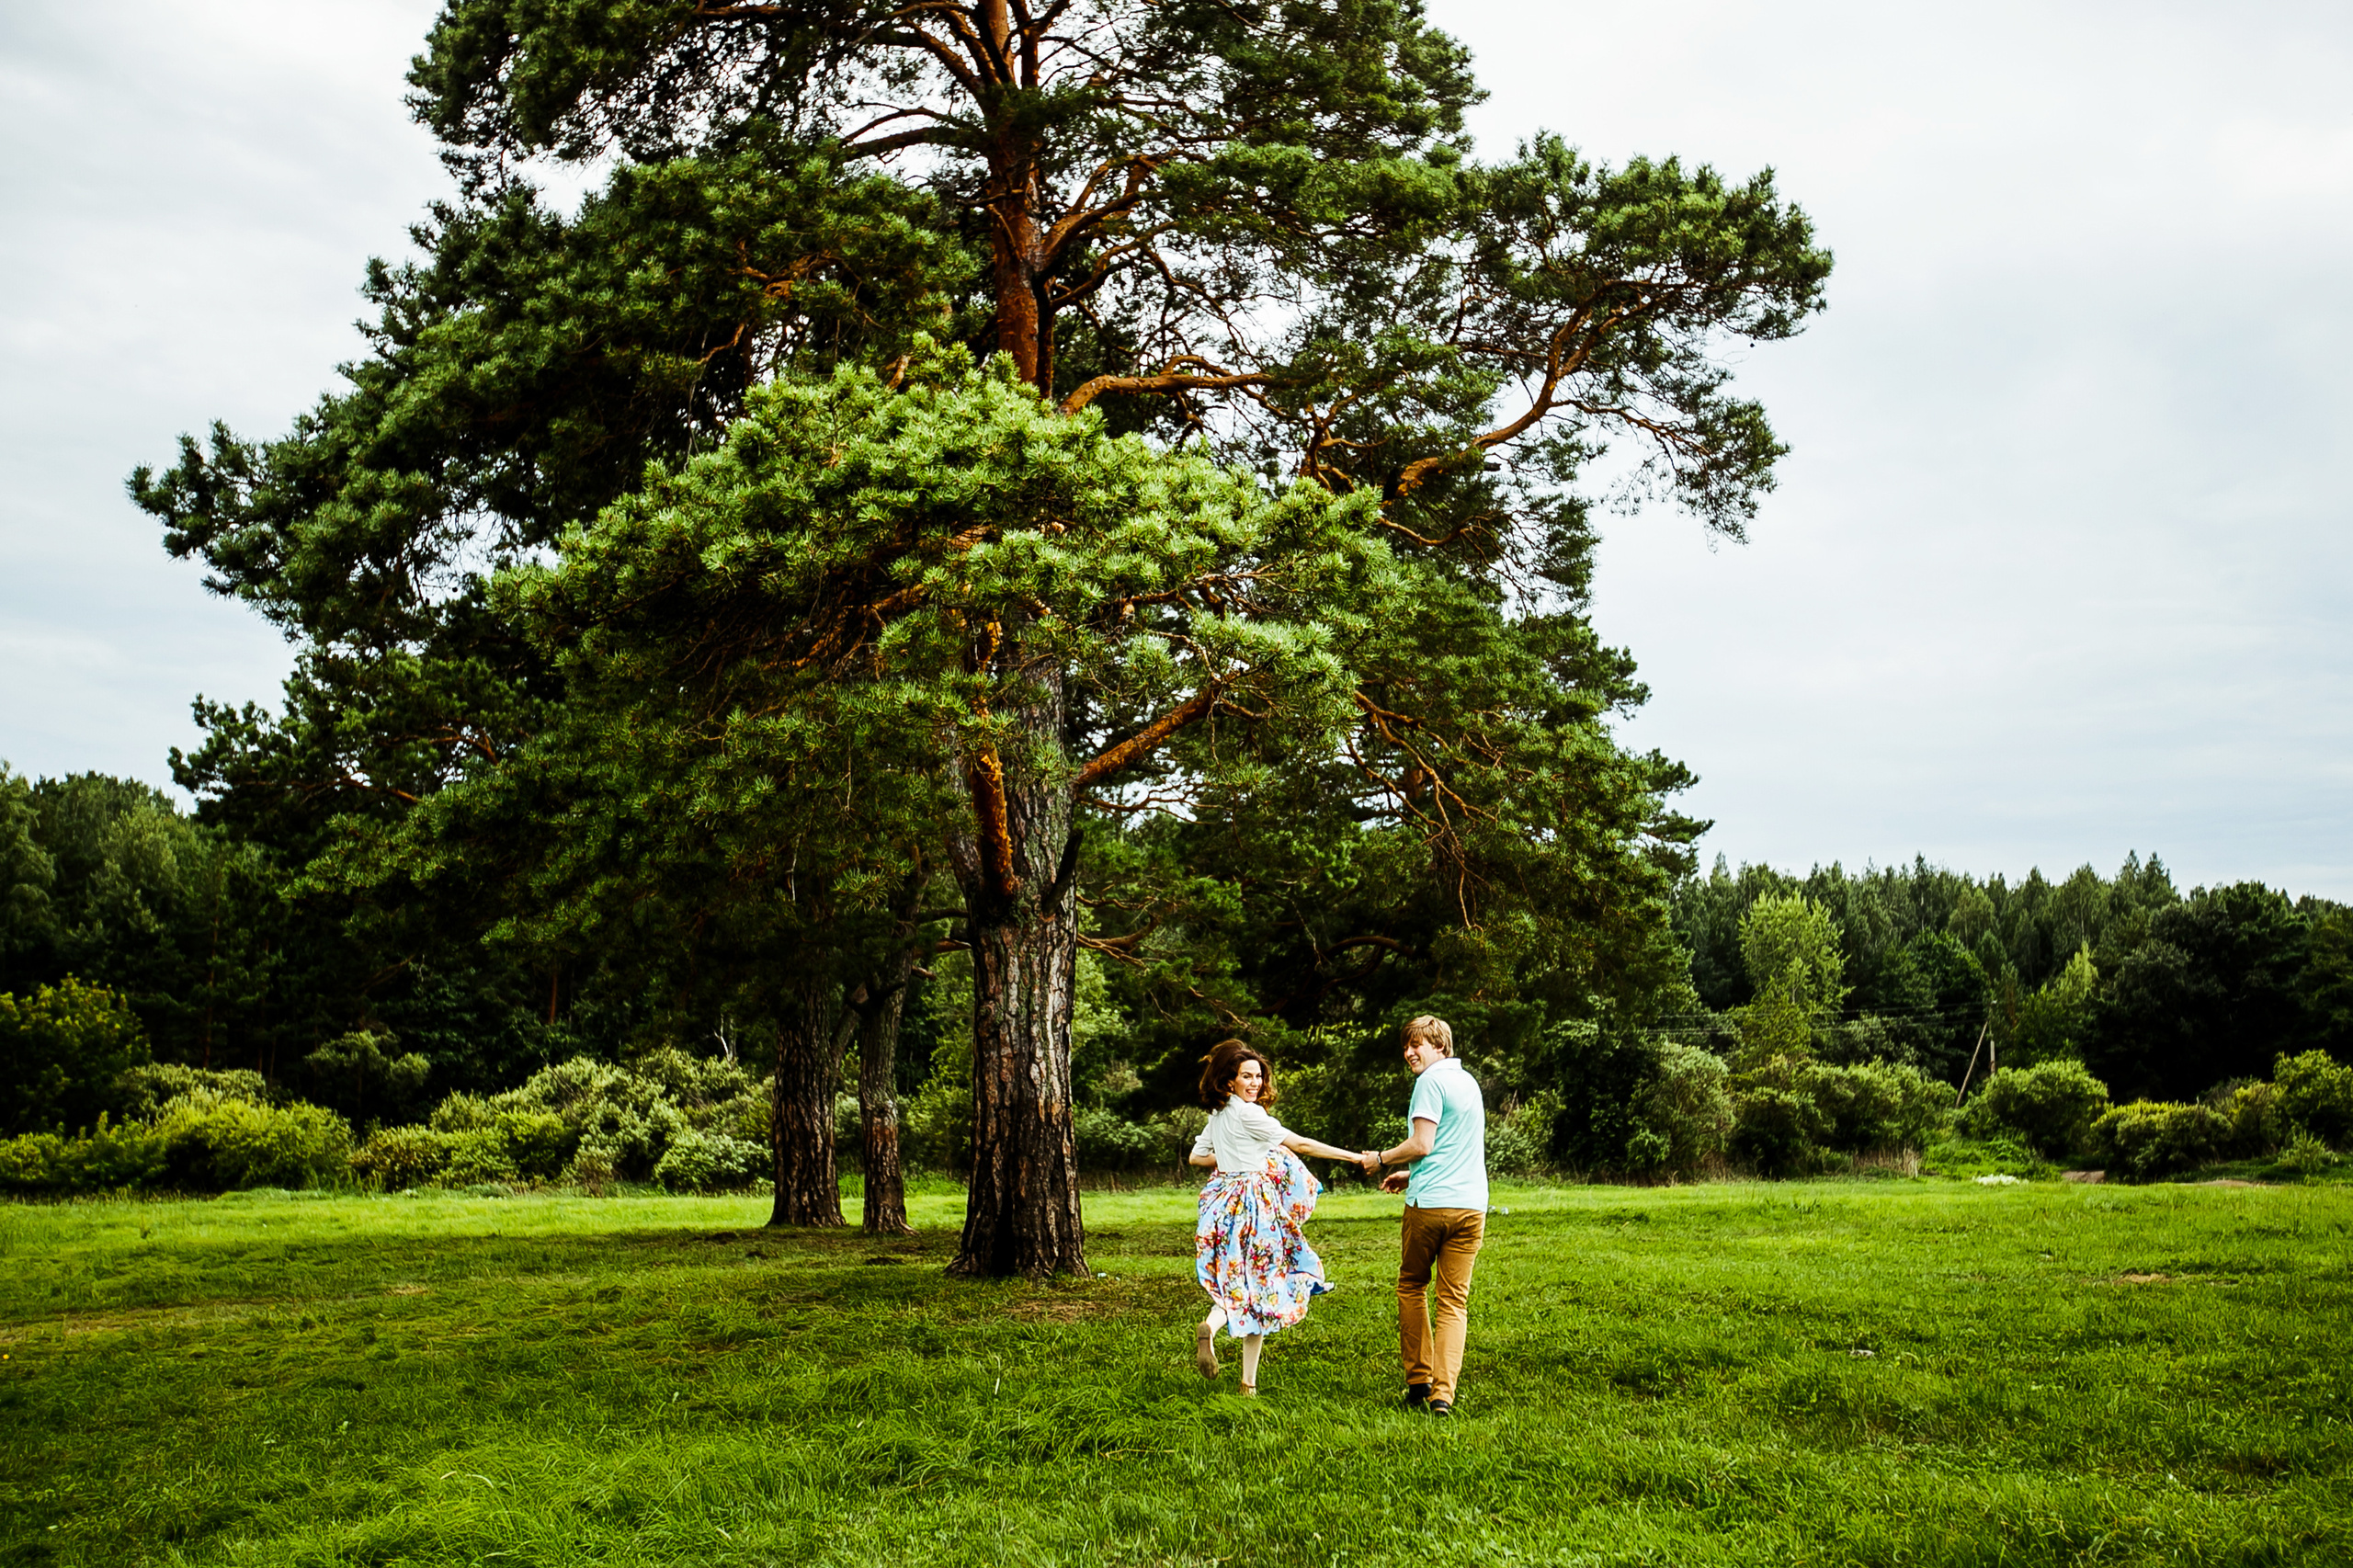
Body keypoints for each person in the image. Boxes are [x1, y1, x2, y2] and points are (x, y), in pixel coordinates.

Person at [1188, 1039, 1363, 1395]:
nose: (1255, 1083)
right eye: (1246, 1077)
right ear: (1229, 1081)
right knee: (1263, 1284)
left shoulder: (1218, 1115)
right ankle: (1247, 1383)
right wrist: (1355, 1158)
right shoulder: (1251, 1115)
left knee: (1234, 1279)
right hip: (1254, 1205)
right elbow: (1302, 1145)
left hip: (1222, 1201)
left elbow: (1197, 1158)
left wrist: (1233, 1155)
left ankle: (1212, 1326)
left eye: (1258, 1077)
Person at [1358, 1015, 1485, 1417]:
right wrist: (1408, 1173)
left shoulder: (1429, 1082)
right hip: (1471, 1207)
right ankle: (1444, 1396)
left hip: (1430, 1206)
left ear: (1440, 1047)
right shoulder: (1468, 1082)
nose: (1410, 1053)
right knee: (1454, 1302)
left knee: (1412, 1285)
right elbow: (1452, 1148)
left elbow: (1423, 1143)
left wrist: (1380, 1159)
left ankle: (1419, 1383)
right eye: (1407, 1047)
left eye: (1418, 1045)